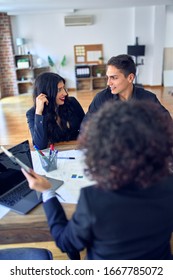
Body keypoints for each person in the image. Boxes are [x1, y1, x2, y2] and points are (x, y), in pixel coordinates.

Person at [22, 100, 173, 260]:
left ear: (101, 148)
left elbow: (66, 242)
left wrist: (48, 191)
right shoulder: (169, 185)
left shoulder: (93, 200)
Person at [81, 54, 171, 125]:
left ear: (130, 78)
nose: (108, 83)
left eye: (114, 78)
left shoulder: (149, 98)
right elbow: (85, 127)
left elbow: (167, 123)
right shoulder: (101, 99)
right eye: (108, 77)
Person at [26, 72, 85, 149]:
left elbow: (87, 127)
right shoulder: (32, 113)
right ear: (45, 93)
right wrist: (39, 113)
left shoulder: (72, 102)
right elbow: (39, 145)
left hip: (76, 148)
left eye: (64, 88)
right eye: (59, 90)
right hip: (56, 154)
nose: (65, 93)